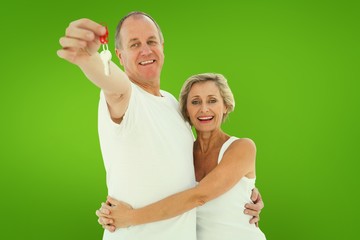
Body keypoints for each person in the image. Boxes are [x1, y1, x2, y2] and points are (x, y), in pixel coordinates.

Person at [57, 11, 263, 240]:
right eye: (134, 44)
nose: (146, 50)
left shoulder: (173, 105)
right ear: (119, 55)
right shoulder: (127, 97)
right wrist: (89, 58)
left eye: (151, 41)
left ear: (162, 47)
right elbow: (113, 85)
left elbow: (197, 185)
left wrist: (243, 193)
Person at [96, 73, 266, 240]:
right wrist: (111, 212)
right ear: (186, 110)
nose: (204, 109)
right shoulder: (183, 153)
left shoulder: (242, 147)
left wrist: (130, 217)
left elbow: (199, 196)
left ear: (226, 106)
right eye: (195, 102)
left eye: (212, 100)